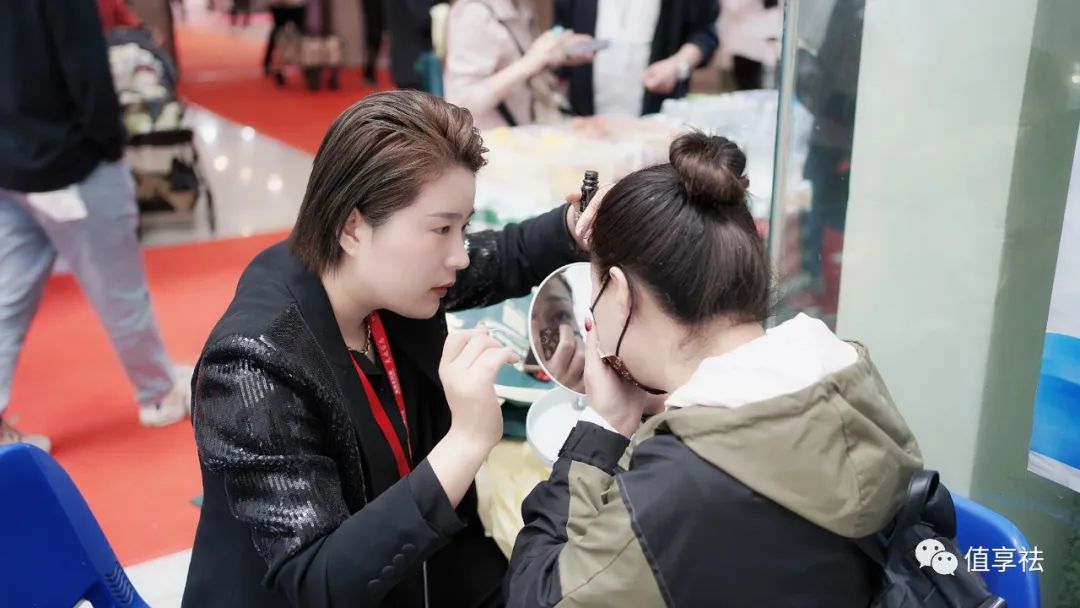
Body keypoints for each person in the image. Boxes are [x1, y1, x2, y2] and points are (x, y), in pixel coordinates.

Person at [181, 90, 591, 607]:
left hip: (420, 567)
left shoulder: (370, 278)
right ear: (352, 226)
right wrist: (466, 441)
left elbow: (497, 257)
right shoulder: (252, 365)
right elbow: (320, 583)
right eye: (441, 228)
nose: (460, 255)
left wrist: (571, 227)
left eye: (462, 227)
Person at [506, 132, 925, 606]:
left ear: (620, 295)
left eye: (595, 290)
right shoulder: (847, 378)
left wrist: (602, 428)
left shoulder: (678, 487)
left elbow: (537, 595)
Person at [0, 0, 192, 453]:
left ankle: (158, 383)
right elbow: (86, 67)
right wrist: (108, 145)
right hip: (69, 159)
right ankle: (158, 394)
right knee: (118, 287)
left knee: (7, 297)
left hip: (11, 162)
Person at [443, 0, 594, 130]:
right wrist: (533, 61)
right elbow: (464, 100)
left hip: (521, 133)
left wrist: (555, 55)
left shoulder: (522, 5)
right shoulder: (473, 13)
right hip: (487, 142)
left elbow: (520, 62)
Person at [554, 0, 719, 117]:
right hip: (587, 117)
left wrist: (677, 65)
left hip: (655, 115)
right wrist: (564, 49)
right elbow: (560, 28)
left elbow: (705, 34)